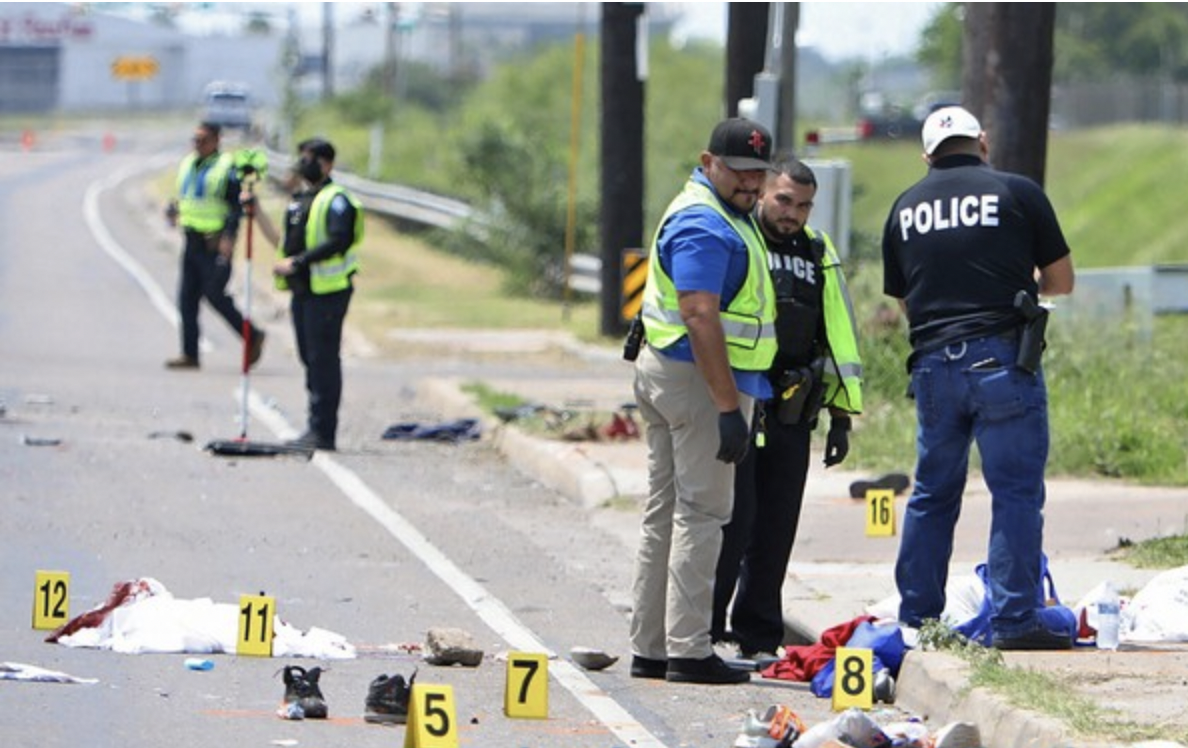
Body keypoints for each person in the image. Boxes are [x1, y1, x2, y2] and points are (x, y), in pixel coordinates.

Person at [881, 106, 1075, 650]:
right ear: (981, 143)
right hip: (1001, 358)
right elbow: (1061, 281)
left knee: (932, 494)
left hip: (933, 363)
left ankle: (917, 620)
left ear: (927, 156)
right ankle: (1015, 618)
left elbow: (905, 300)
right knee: (1014, 492)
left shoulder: (904, 208)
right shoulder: (1016, 192)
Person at [628, 118, 778, 685]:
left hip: (673, 374)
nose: (750, 184)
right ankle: (688, 650)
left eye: (758, 175)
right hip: (698, 381)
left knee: (665, 510)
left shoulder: (718, 212)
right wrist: (725, 407)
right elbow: (698, 313)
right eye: (739, 172)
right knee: (703, 512)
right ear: (708, 161)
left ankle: (652, 646)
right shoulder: (705, 224)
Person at [712, 157, 863, 659]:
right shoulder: (740, 238)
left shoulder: (817, 251)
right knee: (733, 521)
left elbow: (836, 332)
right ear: (762, 193)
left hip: (795, 408)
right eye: (783, 200)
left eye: (802, 205)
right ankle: (705, 630)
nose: (791, 213)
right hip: (741, 396)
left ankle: (758, 636)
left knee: (776, 526)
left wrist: (841, 417)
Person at [248, 138, 362, 451]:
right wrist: (256, 212)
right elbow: (284, 243)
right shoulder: (301, 200)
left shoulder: (336, 200)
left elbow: (340, 240)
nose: (304, 164)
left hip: (328, 291)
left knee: (322, 360)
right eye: (302, 158)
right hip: (304, 291)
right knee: (308, 358)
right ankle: (315, 427)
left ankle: (323, 432)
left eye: (310, 158)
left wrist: (299, 262)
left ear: (327, 164)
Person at [164, 121, 265, 370]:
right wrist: (174, 208)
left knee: (215, 294)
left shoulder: (226, 168)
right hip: (192, 239)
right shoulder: (189, 163)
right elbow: (188, 195)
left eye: (203, 140)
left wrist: (229, 239)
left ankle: (251, 334)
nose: (197, 144)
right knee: (186, 299)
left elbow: (235, 207)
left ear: (216, 140)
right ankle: (190, 354)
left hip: (214, 242)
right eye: (195, 139)